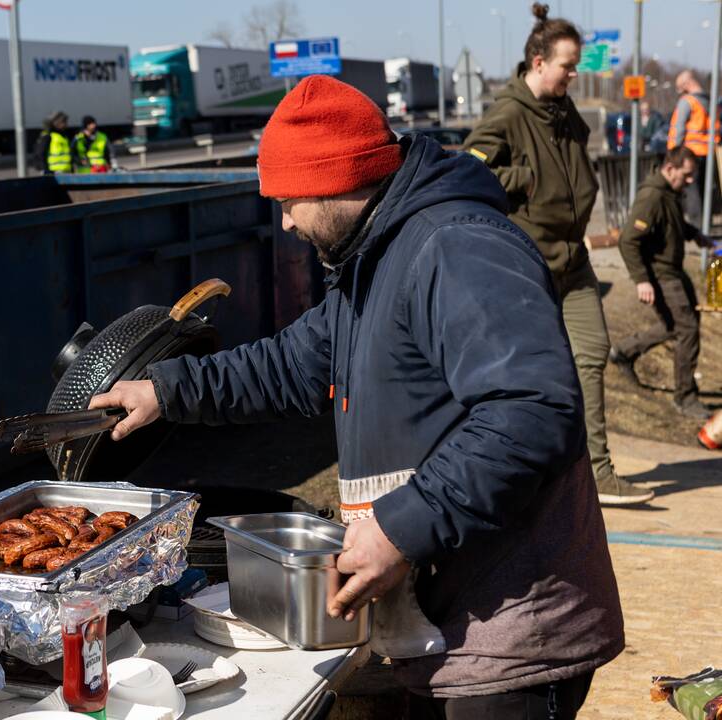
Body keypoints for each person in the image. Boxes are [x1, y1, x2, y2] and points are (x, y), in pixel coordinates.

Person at [90, 74, 624, 718]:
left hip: (509, 634)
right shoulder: (371, 261)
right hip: (446, 624)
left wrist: (398, 530)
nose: (284, 221)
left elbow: (532, 412)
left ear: (336, 178)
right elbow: (291, 365)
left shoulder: (455, 247)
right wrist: (167, 391)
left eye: (288, 200)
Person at [463, 2, 654, 506]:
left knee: (591, 354)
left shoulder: (562, 108)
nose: (575, 72)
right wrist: (525, 179)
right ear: (538, 60)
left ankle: (598, 473)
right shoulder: (508, 114)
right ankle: (532, 478)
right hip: (531, 268)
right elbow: (468, 171)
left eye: (575, 64)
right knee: (533, 378)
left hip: (575, 262)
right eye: (568, 64)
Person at [611, 146, 714, 418]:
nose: (691, 181)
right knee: (687, 329)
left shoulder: (670, 192)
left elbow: (672, 224)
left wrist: (695, 235)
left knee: (676, 326)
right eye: (687, 175)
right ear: (670, 168)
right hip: (661, 274)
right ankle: (685, 398)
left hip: (674, 270)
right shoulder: (652, 196)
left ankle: (623, 351)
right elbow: (627, 241)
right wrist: (641, 280)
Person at [668, 70, 722, 226]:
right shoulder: (710, 102)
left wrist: (675, 153)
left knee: (692, 192)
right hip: (710, 153)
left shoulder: (688, 102)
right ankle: (706, 223)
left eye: (680, 88)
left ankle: (698, 227)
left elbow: (679, 130)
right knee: (706, 190)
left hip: (690, 154)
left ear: (686, 85)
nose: (680, 93)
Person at [32, 110, 72, 175]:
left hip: (65, 171)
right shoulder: (48, 136)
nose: (66, 124)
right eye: (63, 122)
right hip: (52, 173)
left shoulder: (63, 136)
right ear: (56, 123)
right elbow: (39, 154)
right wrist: (44, 169)